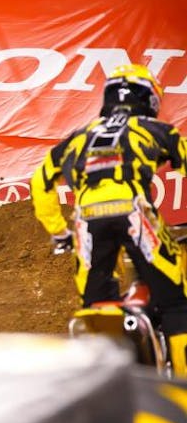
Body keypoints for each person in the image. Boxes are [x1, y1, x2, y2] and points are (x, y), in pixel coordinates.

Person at [30, 63, 187, 376]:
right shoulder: (157, 129)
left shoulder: (77, 137)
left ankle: (99, 380)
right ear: (149, 99)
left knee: (94, 307)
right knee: (175, 304)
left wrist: (59, 232)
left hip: (87, 220)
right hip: (135, 213)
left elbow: (40, 182)